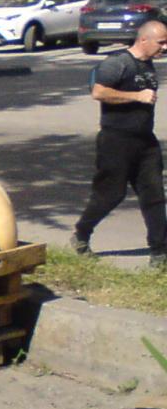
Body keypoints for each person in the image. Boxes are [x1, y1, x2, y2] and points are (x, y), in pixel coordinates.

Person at [71, 19, 167, 267]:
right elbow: (99, 92)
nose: (164, 47)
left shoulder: (147, 65)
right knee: (110, 195)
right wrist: (137, 96)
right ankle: (81, 234)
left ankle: (159, 253)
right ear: (144, 39)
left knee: (154, 195)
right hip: (116, 140)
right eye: (161, 42)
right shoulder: (118, 63)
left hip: (145, 142)